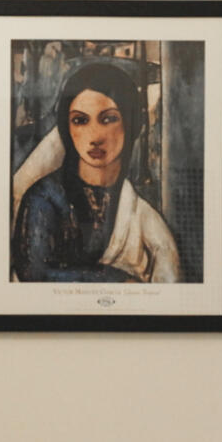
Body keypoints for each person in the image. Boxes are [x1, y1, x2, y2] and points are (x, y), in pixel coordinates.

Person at [10, 58, 183, 284]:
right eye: (80, 120)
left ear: (131, 122)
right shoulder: (44, 198)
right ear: (67, 128)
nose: (95, 137)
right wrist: (118, 281)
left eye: (109, 119)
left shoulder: (140, 212)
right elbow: (34, 275)